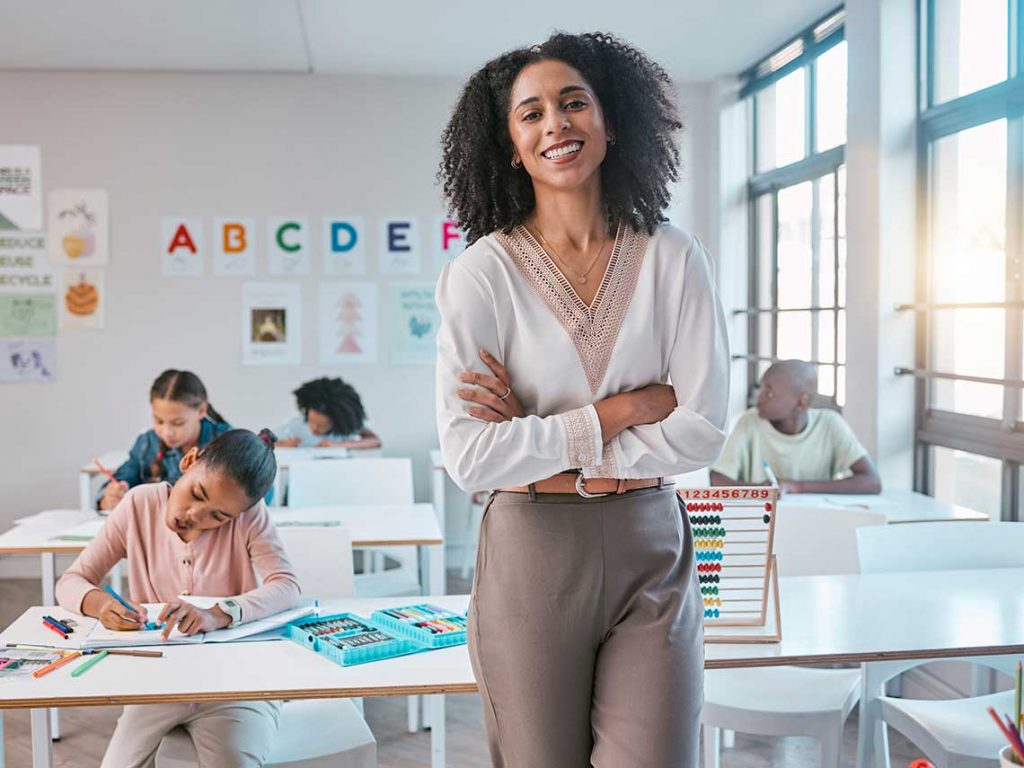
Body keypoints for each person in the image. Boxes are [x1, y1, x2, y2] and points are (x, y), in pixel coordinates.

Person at [435, 32, 729, 767]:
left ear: (611, 120)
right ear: (509, 145)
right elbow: (470, 456)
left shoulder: (673, 256)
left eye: (573, 103)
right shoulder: (481, 274)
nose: (555, 125)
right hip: (532, 550)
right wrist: (619, 411)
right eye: (530, 114)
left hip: (649, 542)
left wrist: (539, 442)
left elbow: (702, 431)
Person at [56, 428, 298, 768]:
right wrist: (100, 604)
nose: (196, 515)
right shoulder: (140, 504)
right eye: (196, 494)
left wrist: (219, 613)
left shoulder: (250, 516)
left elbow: (286, 585)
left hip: (236, 684)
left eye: (219, 516)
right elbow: (71, 580)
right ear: (189, 461)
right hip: (159, 681)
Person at [710, 359, 882, 494]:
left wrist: (797, 487)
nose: (759, 397)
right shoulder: (749, 422)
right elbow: (716, 479)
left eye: (768, 393)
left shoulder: (830, 424)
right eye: (760, 389)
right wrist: (760, 491)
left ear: (801, 402)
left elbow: (872, 481)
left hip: (812, 522)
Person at [98, 369, 231, 510]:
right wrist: (109, 499)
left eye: (177, 423)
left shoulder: (228, 442)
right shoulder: (147, 443)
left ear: (201, 411)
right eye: (159, 421)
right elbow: (116, 485)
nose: (167, 432)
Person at [275, 376, 380, 449]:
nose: (314, 429)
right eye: (311, 422)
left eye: (321, 426)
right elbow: (265, 444)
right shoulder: (298, 424)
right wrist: (282, 445)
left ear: (338, 421)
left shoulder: (348, 426)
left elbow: (375, 441)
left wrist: (339, 445)